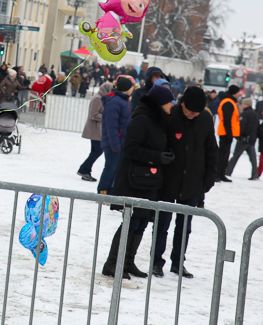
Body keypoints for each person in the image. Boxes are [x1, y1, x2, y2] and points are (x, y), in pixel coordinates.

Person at [102, 85, 175, 279]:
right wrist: (158, 156)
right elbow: (131, 149)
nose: (172, 105)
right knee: (131, 223)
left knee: (142, 222)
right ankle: (112, 264)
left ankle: (127, 262)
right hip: (133, 181)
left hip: (147, 182)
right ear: (159, 103)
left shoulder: (158, 121)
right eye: (169, 101)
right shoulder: (142, 120)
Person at [153, 86, 218, 279]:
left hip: (192, 183)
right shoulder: (171, 115)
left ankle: (178, 263)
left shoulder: (205, 119)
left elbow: (211, 151)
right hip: (168, 181)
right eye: (190, 111)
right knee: (162, 224)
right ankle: (156, 261)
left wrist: (208, 179)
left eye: (196, 112)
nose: (192, 115)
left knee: (184, 227)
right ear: (182, 104)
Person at [97, 75, 135, 195]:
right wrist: (115, 145)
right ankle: (103, 190)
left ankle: (110, 191)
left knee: (116, 169)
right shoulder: (114, 102)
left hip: (120, 142)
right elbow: (111, 126)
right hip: (113, 143)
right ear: (126, 88)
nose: (133, 89)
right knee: (110, 168)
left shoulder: (124, 101)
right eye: (131, 86)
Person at [77, 83, 114, 181]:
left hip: (98, 129)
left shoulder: (103, 98)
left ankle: (85, 170)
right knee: (98, 151)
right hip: (95, 130)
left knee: (95, 151)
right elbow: (93, 114)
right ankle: (84, 169)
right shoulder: (98, 98)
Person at [225, 97, 259, 180]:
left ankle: (227, 171)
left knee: (235, 156)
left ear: (246, 104)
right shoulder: (255, 114)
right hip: (251, 140)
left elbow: (242, 126)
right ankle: (255, 174)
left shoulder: (245, 114)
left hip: (243, 139)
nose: (242, 105)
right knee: (253, 158)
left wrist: (239, 136)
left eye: (243, 104)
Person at [216, 85, 241, 182]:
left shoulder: (230, 102)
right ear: (234, 93)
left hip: (227, 132)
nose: (239, 94)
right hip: (225, 132)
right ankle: (217, 174)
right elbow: (227, 120)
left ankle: (221, 174)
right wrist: (229, 134)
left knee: (225, 155)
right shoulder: (228, 103)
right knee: (222, 155)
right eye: (238, 92)